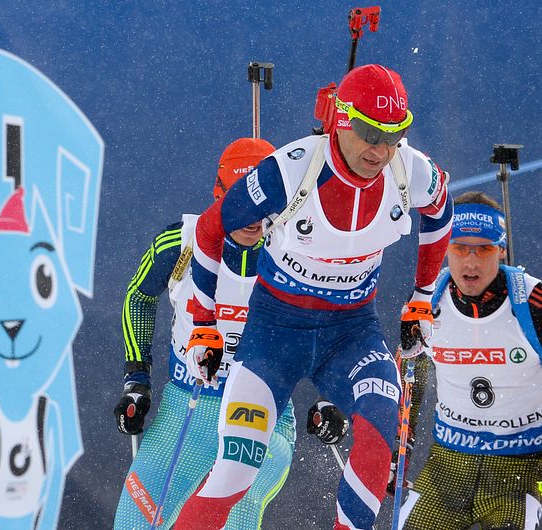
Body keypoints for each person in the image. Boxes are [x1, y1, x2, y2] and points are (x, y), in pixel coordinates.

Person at [173, 64, 454, 530]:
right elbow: (209, 228)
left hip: (351, 334)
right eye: (368, 132)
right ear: (341, 120)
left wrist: (422, 295)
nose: (380, 150)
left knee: (378, 436)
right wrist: (203, 323)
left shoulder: (412, 170)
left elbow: (441, 214)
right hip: (273, 337)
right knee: (234, 475)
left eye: (394, 134)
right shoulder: (292, 168)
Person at [113, 138, 343, 529]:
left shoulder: (300, 254)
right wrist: (137, 380)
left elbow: (337, 329)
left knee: (232, 513)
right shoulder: (180, 242)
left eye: (265, 207)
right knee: (136, 519)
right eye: (242, 205)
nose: (254, 219)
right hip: (188, 403)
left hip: (263, 415)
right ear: (218, 197)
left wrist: (330, 398)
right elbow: (138, 297)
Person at [391, 191, 542, 530]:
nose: (470, 263)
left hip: (522, 468)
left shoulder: (532, 302)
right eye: (460, 248)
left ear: (501, 250)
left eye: (484, 249)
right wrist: (396, 452)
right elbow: (411, 376)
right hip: (448, 468)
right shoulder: (427, 304)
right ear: (445, 249)